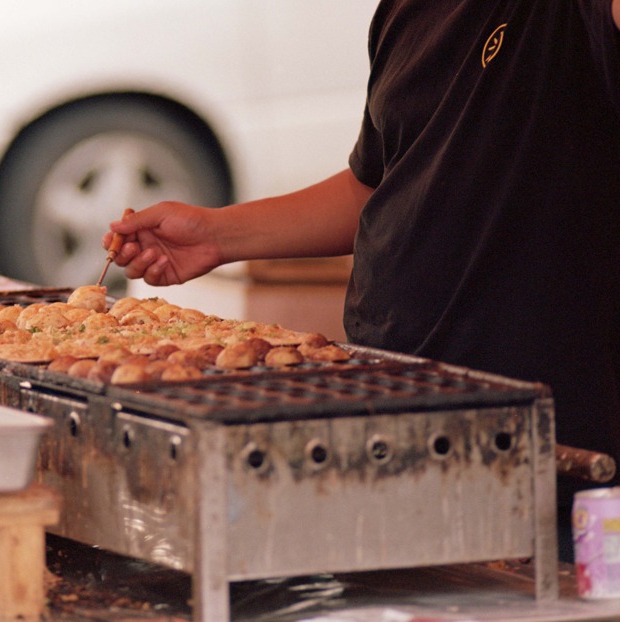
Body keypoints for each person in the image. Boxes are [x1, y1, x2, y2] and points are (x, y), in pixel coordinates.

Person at [104, 0, 620, 561]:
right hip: (397, 429)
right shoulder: (407, 11)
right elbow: (379, 184)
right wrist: (216, 236)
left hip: (562, 462)